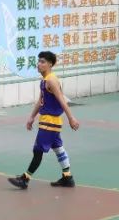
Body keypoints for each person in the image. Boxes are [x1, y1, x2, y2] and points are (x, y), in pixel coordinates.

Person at [8, 51, 79, 190]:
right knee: (58, 148)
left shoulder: (51, 81)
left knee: (38, 150)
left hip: (50, 123)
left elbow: (62, 100)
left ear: (50, 64)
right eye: (39, 61)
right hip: (50, 121)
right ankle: (67, 177)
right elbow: (41, 101)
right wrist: (31, 117)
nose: (39, 64)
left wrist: (71, 118)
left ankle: (25, 179)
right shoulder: (45, 81)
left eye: (43, 62)